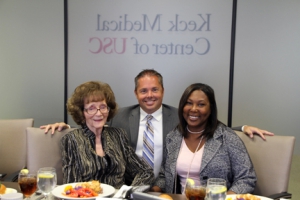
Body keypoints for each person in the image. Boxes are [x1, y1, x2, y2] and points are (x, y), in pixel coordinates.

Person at [41, 69, 273, 178]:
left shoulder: (179, 116)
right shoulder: (120, 117)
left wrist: (241, 129)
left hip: (165, 187)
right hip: (132, 188)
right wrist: (64, 125)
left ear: (163, 91)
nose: (149, 95)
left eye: (154, 90)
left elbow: (204, 122)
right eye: (143, 90)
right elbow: (91, 124)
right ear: (135, 93)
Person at [151, 83, 256, 194]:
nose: (193, 109)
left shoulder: (227, 137)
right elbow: (164, 177)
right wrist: (148, 191)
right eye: (189, 103)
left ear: (211, 109)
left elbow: (247, 178)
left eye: (201, 105)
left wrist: (226, 198)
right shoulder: (173, 137)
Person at [59, 81, 154, 188]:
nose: (99, 113)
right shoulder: (71, 140)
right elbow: (73, 185)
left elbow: (145, 172)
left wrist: (128, 193)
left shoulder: (119, 135)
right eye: (91, 108)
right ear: (81, 112)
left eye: (103, 107)